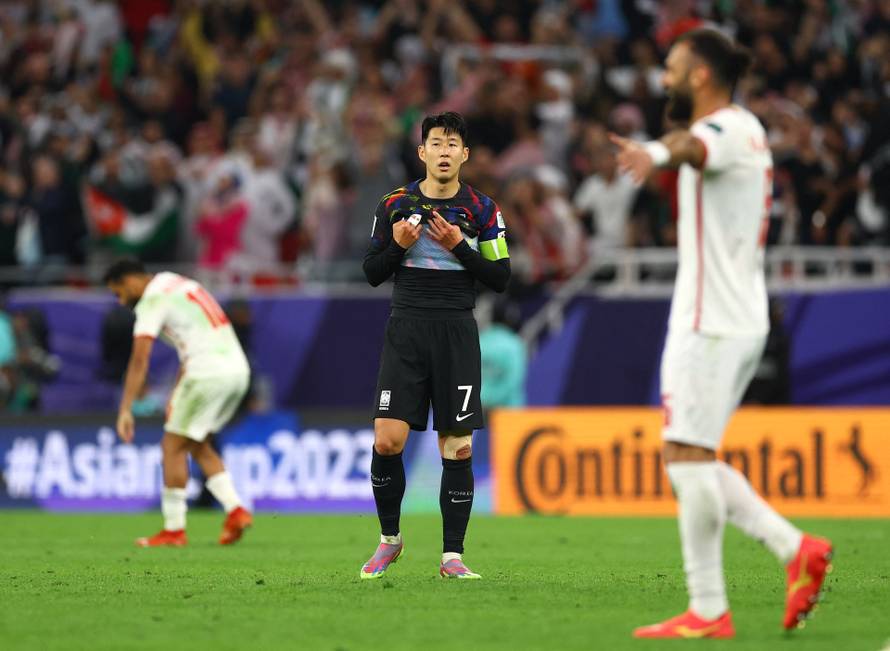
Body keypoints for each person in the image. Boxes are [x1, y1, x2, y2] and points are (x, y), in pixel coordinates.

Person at [611, 29, 833, 639]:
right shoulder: (741, 129)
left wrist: (653, 153)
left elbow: (687, 146)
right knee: (692, 456)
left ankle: (721, 600)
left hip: (713, 321)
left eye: (674, 69)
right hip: (723, 315)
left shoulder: (728, 128)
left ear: (702, 76)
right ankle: (787, 555)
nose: (664, 78)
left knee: (684, 458)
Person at [361, 111, 510, 580]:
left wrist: (459, 247)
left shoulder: (483, 210)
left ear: (464, 155)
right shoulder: (394, 204)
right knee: (388, 439)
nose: (444, 152)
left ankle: (452, 557)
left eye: (453, 145)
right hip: (406, 327)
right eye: (436, 143)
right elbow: (371, 272)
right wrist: (400, 245)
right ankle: (390, 540)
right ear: (422, 151)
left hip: (456, 330)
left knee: (459, 448)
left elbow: (501, 277)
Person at [104, 259, 252, 548]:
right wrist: (177, 392)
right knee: (196, 443)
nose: (121, 302)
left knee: (171, 446)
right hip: (236, 371)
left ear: (131, 281)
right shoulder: (176, 282)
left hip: (206, 373)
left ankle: (174, 530)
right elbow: (194, 342)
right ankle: (235, 509)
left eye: (119, 292)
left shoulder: (151, 299)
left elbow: (139, 359)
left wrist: (125, 408)